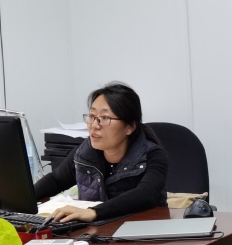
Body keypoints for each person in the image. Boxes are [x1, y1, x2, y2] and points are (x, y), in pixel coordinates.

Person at [34, 82, 168, 222]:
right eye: (92, 116)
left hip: (140, 228)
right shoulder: (84, 153)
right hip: (95, 231)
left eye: (105, 118)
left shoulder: (153, 156)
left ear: (130, 127)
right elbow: (56, 180)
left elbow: (146, 193)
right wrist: (22, 201)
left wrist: (94, 212)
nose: (94, 125)